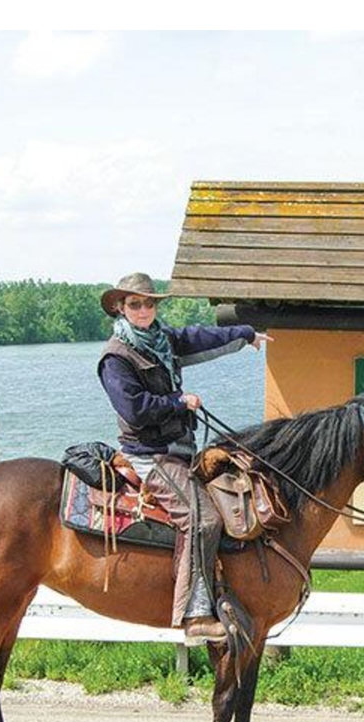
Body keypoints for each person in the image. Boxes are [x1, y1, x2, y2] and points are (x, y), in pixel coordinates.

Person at [97, 272, 271, 642]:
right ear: (120, 307)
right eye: (135, 304)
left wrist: (245, 334)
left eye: (148, 303)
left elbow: (199, 337)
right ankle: (194, 616)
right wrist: (178, 400)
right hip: (150, 453)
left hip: (178, 449)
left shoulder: (161, 340)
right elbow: (134, 409)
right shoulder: (116, 357)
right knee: (203, 519)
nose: (143, 309)